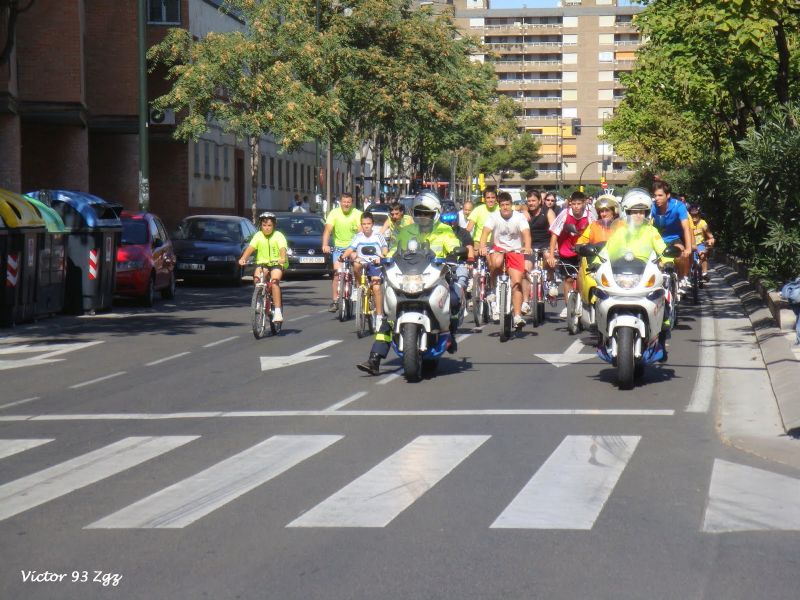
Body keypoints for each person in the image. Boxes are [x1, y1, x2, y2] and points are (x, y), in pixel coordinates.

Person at [357, 192, 463, 375]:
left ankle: (450, 334)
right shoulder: (406, 231)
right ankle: (374, 358)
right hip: (409, 277)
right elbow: (394, 251)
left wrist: (455, 253)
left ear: (436, 213)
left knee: (454, 299)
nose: (423, 217)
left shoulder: (444, 230)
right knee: (390, 314)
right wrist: (383, 259)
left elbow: (454, 245)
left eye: (427, 213)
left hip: (435, 276)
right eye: (419, 213)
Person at [605, 189, 674, 358]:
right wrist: (595, 263)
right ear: (626, 213)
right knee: (601, 295)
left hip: (646, 276)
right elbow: (606, 251)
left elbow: (662, 249)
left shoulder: (651, 232)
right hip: (622, 275)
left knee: (664, 299)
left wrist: (668, 260)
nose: (638, 215)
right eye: (634, 212)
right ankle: (601, 333)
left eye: (642, 212)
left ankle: (662, 339)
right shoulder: (620, 232)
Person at [480, 191, 532, 329]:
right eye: (502, 205)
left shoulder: (519, 217)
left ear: (511, 204)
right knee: (496, 263)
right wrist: (482, 247)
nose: (505, 207)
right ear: (499, 206)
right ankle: (492, 288)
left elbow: (526, 233)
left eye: (507, 204)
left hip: (515, 251)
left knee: (516, 282)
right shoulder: (493, 217)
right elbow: (485, 232)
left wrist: (527, 247)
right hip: (498, 248)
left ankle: (517, 316)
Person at [547, 191, 594, 318]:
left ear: (584, 203)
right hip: (566, 251)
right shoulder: (564, 214)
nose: (576, 207)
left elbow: (594, 235)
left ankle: (583, 304)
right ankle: (568, 307)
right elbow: (554, 234)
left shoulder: (589, 216)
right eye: (574, 204)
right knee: (568, 279)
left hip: (583, 252)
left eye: (579, 204)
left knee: (581, 278)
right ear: (570, 204)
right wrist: (551, 255)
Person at [238, 212, 287, 323]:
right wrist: (243, 258)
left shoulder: (278, 235)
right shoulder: (258, 235)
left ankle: (278, 311)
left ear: (274, 225)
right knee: (256, 278)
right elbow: (251, 248)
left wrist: (282, 258)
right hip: (263, 263)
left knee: (274, 282)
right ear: (261, 225)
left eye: (269, 225)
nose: (267, 228)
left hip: (276, 263)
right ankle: (260, 297)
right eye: (264, 225)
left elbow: (282, 248)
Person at [342, 212, 389, 330]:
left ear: (372, 224)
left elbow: (384, 248)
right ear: (361, 225)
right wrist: (343, 256)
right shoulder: (358, 236)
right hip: (363, 262)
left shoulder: (378, 235)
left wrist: (382, 256)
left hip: (375, 264)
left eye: (368, 224)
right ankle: (358, 286)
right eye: (363, 224)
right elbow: (350, 249)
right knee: (356, 264)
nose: (366, 226)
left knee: (377, 287)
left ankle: (378, 316)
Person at [321, 192, 362, 311]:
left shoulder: (357, 214)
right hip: (338, 248)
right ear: (340, 202)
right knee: (337, 273)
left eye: (349, 202)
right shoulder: (334, 213)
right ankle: (335, 301)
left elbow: (360, 232)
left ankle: (357, 289)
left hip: (353, 247)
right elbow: (328, 230)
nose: (346, 204)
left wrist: (357, 247)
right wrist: (325, 245)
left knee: (356, 265)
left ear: (352, 202)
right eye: (344, 202)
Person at [650, 180, 693, 289]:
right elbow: (647, 224)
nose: (657, 198)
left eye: (660, 195)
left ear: (668, 195)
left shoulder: (678, 206)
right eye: (655, 196)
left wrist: (688, 249)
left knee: (681, 255)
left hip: (674, 238)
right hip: (658, 239)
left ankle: (683, 278)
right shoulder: (653, 207)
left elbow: (686, 228)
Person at [522, 189, 556, 313]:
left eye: (534, 200)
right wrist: (523, 210)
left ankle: (551, 281)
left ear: (540, 201)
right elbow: (512, 206)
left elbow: (554, 230)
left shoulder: (548, 212)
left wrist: (554, 247)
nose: (531, 203)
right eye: (529, 201)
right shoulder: (524, 212)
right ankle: (525, 301)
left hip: (546, 243)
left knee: (549, 259)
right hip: (530, 245)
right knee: (525, 269)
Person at [688, 204, 715, 282]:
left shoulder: (703, 223)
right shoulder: (687, 223)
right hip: (690, 244)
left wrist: (710, 242)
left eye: (696, 215)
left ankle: (704, 273)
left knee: (703, 255)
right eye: (692, 215)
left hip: (700, 244)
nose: (694, 217)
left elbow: (710, 236)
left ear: (699, 214)